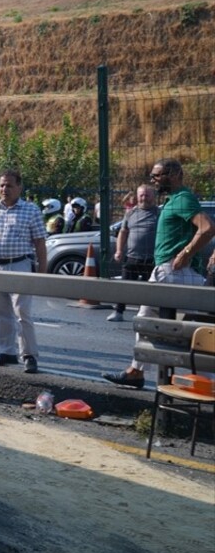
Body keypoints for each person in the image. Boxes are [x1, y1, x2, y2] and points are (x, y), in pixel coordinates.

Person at [103, 158, 215, 388]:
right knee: (145, 321)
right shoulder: (174, 200)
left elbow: (207, 228)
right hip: (167, 271)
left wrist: (184, 253)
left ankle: (208, 382)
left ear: (173, 175)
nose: (153, 179)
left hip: (177, 273)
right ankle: (136, 371)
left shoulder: (183, 199)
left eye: (157, 175)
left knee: (194, 332)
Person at [0, 168, 48, 374]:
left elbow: (40, 242)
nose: (4, 189)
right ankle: (7, 351)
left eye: (9, 185)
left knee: (22, 311)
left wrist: (43, 271)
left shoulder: (31, 210)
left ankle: (29, 355)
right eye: (2, 185)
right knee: (1, 312)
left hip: (19, 264)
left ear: (19, 188)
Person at [107, 184, 158, 322]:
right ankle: (118, 312)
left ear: (153, 197)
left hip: (151, 259)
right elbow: (123, 232)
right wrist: (118, 250)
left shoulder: (159, 213)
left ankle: (146, 315)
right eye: (141, 195)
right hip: (132, 257)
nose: (144, 198)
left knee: (150, 290)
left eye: (147, 195)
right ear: (137, 196)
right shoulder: (130, 213)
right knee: (125, 287)